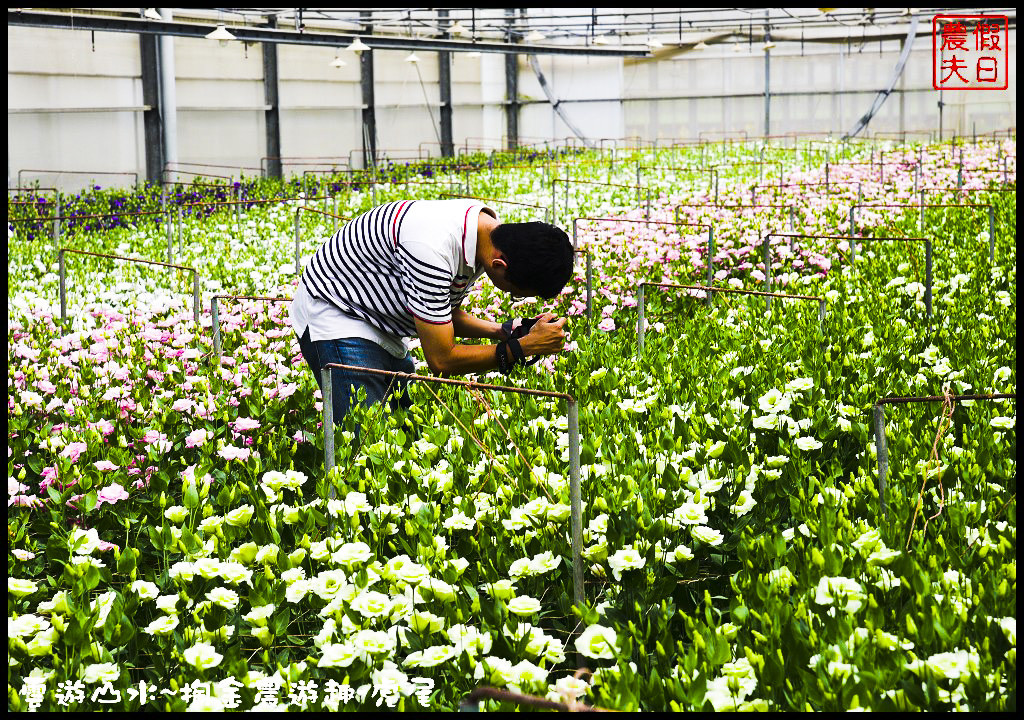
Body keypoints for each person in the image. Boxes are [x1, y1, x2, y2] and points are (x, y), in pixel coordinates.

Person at [290, 198, 574, 426]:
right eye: (515, 291)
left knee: (403, 425)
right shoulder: (433, 250)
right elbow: (441, 359)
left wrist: (503, 331)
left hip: (377, 316)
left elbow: (445, 313)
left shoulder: (482, 231)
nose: (514, 297)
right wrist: (520, 348)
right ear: (499, 265)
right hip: (336, 309)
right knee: (365, 442)